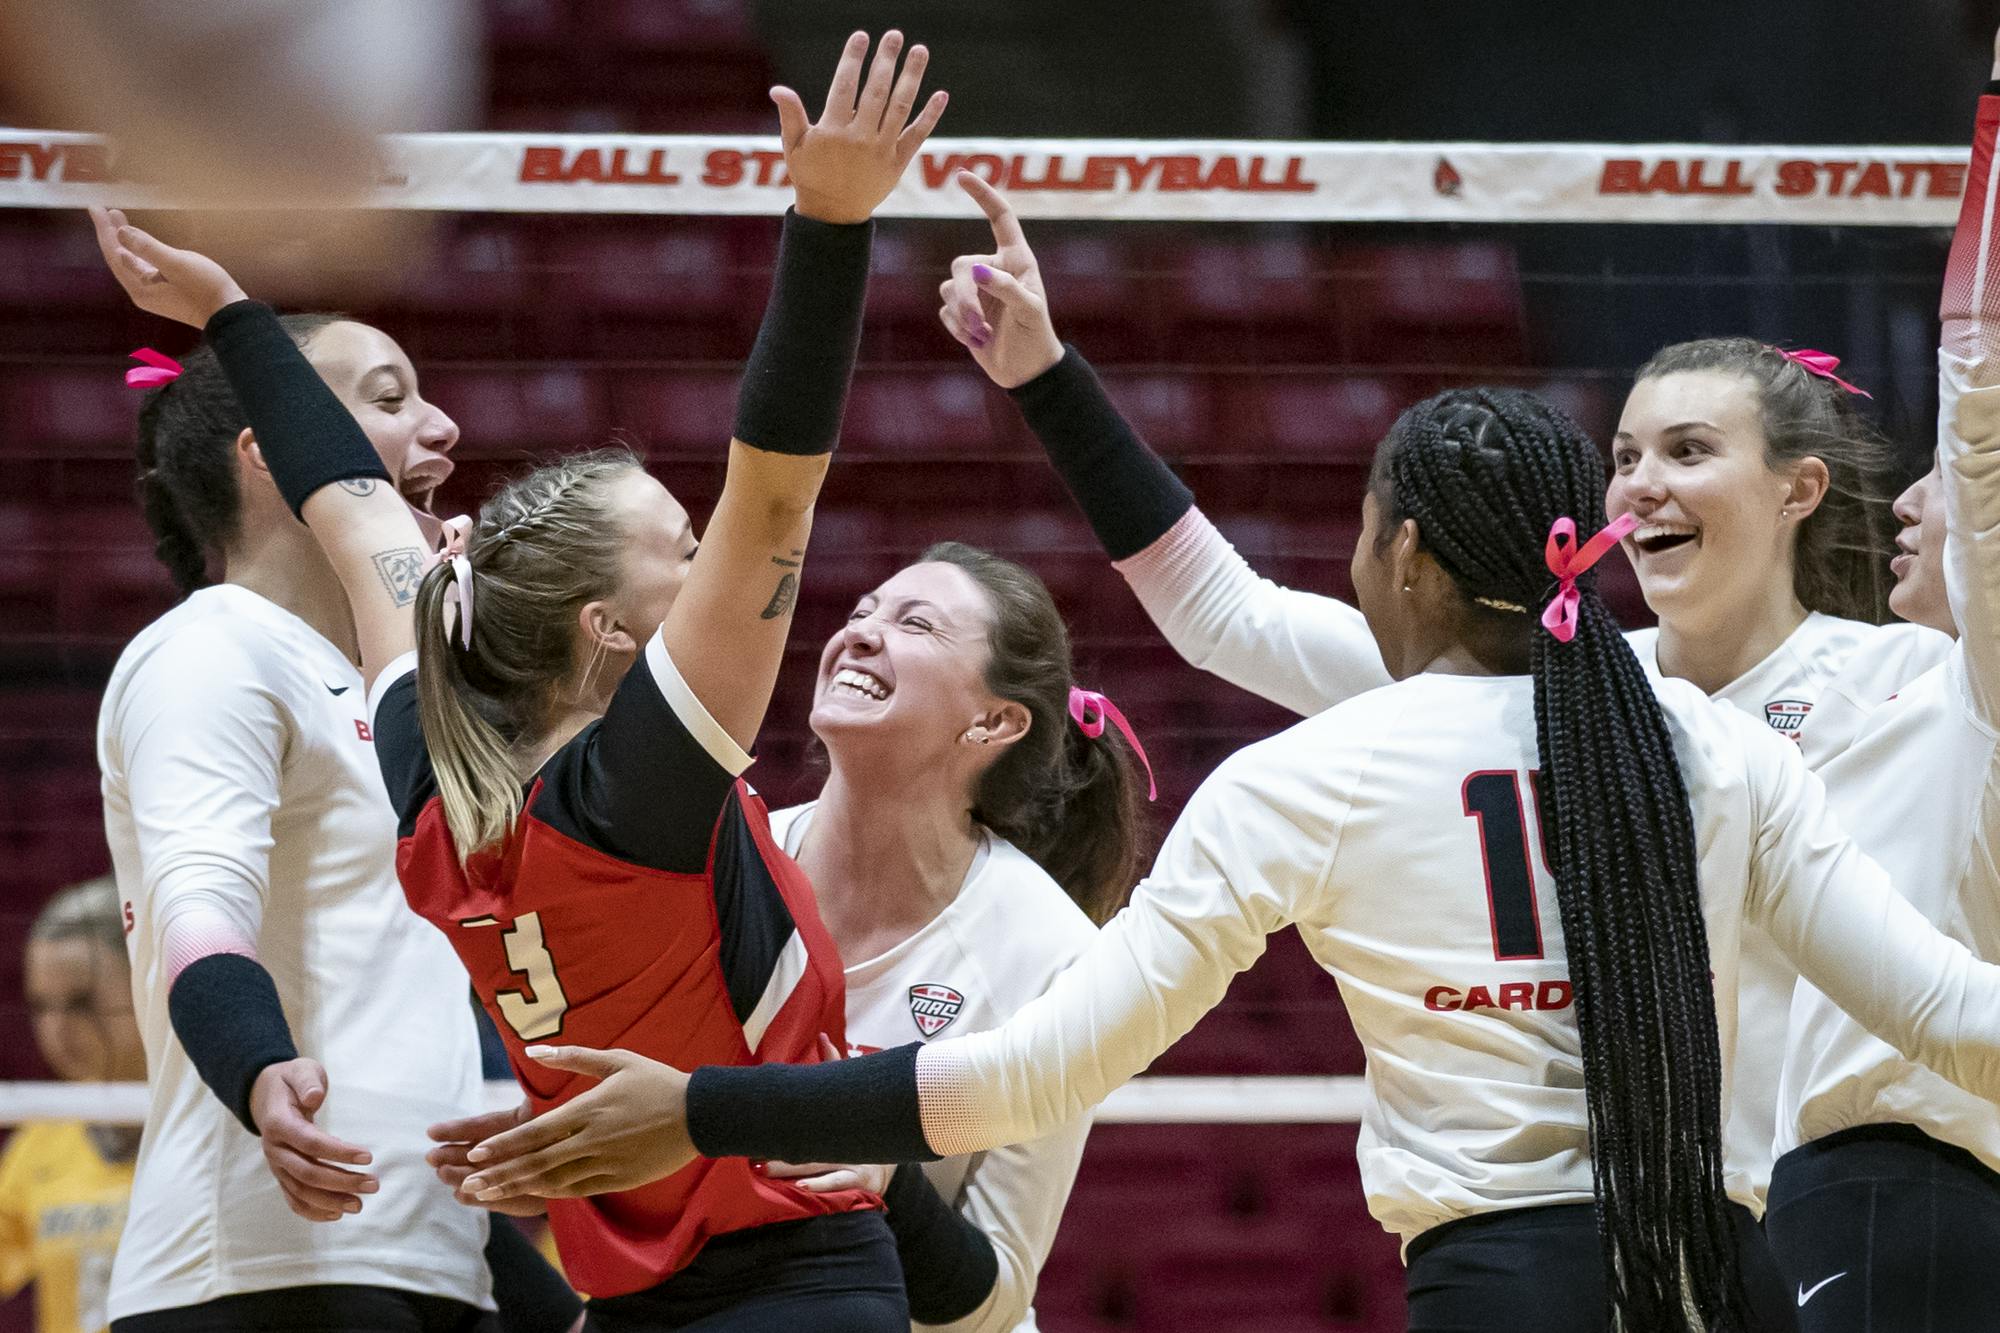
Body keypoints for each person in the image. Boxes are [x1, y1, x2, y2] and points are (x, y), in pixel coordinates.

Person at [455, 381, 2000, 1333]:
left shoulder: (1312, 773)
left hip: (1505, 1289)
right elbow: (1948, 1013)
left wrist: (707, 1107)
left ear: (1397, 558)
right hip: (1721, 1279)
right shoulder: (1714, 746)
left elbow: (1032, 1073)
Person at [94, 29, 951, 1332]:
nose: (710, 555)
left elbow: (349, 505)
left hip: (616, 1299)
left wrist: (234, 319)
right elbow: (775, 482)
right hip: (796, 1278)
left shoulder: (433, 798)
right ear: (611, 628)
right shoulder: (642, 788)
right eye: (684, 542)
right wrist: (830, 224)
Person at [928, 169, 1951, 1217]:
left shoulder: (1913, 685)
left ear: (1798, 488)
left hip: (1855, 1213)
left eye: (1687, 452)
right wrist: (1044, 375)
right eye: (1623, 454)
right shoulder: (1550, 689)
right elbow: (1223, 613)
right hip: (1648, 1235)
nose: (1638, 483)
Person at [88, 213, 581, 1332]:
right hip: (262, 1274)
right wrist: (260, 1068)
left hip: (426, 1262)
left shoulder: (404, 692)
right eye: (390, 397)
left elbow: (393, 1024)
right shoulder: (211, 645)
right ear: (274, 446)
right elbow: (198, 902)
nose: (445, 428)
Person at [758, 541, 1147, 1331]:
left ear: (994, 720)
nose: (862, 631)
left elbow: (997, 1298)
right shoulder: (726, 861)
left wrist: (884, 1177)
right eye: (864, 608)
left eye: (915, 623)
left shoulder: (1056, 957)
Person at [1758, 63, 2000, 1329]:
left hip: (1899, 1190)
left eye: (1937, 487)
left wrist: (1991, 135)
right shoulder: (1881, 685)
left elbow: (1982, 422)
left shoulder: (1989, 693)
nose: (1902, 503)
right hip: (1833, 1191)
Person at [0, 878, 143, 1333]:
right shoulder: (40, 1140)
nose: (56, 1030)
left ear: (146, 986)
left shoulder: (217, 1129)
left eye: (80, 1003)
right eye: (41, 1006)